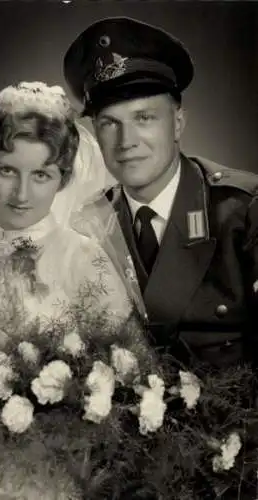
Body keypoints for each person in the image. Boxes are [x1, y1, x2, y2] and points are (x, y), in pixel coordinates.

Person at [0, 81, 147, 499]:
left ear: (61, 180)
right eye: (8, 170)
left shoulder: (83, 257)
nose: (22, 194)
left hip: (54, 470)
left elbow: (133, 368)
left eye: (41, 175)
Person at [63, 16, 258, 371]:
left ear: (178, 123)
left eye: (144, 118)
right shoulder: (87, 225)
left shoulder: (243, 210)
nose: (126, 142)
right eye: (109, 123)